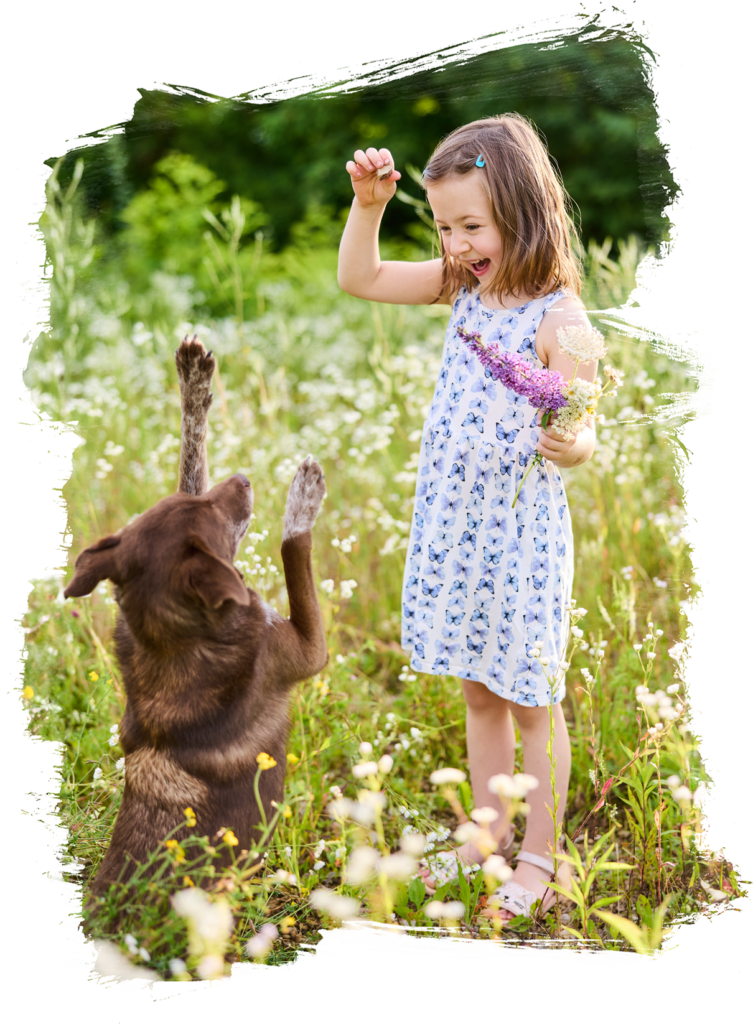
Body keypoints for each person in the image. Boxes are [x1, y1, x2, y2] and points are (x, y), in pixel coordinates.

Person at [338, 114, 597, 921]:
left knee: (530, 699)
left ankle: (540, 859)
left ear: (520, 212)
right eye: (443, 227)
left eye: (470, 226)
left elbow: (585, 427)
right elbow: (363, 280)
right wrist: (368, 207)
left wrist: (573, 441)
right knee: (478, 691)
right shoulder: (464, 288)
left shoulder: (563, 322)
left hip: (518, 538)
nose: (454, 244)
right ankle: (482, 841)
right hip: (456, 532)